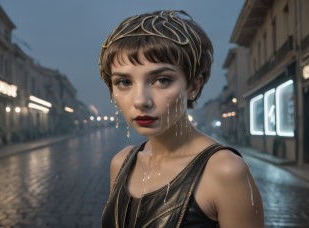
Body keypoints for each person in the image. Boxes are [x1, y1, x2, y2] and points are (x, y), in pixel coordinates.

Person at [99, 10, 264, 227]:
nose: (140, 101)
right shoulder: (120, 163)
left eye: (161, 79)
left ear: (193, 86)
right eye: (124, 82)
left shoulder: (225, 170)